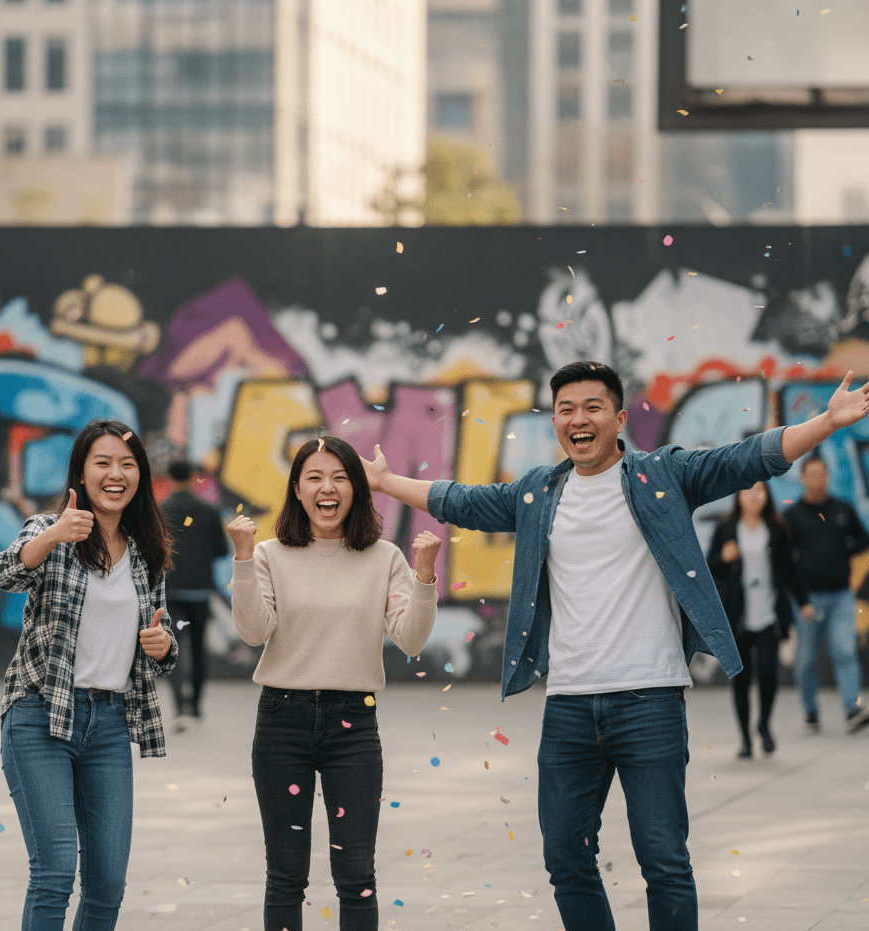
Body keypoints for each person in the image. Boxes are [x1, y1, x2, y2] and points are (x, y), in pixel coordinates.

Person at [361, 360, 869, 931]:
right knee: (566, 859)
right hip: (570, 705)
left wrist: (826, 422)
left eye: (592, 407)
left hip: (649, 702)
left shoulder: (663, 475)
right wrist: (382, 483)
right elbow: (461, 500)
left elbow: (747, 458)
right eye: (566, 410)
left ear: (620, 418)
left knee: (664, 862)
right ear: (555, 420)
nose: (578, 420)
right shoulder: (539, 494)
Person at [227, 435, 441, 931]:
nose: (328, 488)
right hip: (282, 721)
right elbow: (253, 631)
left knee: (356, 873)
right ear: (297, 490)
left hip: (354, 725)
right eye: (315, 478)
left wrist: (425, 578)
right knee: (285, 875)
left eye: (341, 477)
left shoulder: (384, 557)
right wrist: (241, 559)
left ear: (358, 490)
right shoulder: (268, 554)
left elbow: (410, 639)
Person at [0, 420, 178, 931]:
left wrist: (163, 647)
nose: (116, 474)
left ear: (140, 475)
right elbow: (6, 572)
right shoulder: (48, 528)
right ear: (81, 472)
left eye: (127, 463)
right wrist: (53, 536)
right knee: (54, 873)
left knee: (108, 884)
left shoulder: (145, 553)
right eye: (103, 462)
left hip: (110, 725)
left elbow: (162, 643)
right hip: (40, 717)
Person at [707, 482, 812, 758]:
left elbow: (789, 570)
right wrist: (724, 557)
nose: (754, 497)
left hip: (768, 614)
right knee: (740, 680)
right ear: (738, 497)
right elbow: (710, 567)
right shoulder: (727, 528)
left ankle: (763, 724)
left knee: (768, 674)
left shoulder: (776, 530)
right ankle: (744, 739)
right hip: (738, 615)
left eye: (760, 492)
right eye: (748, 492)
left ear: (767, 497)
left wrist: (803, 603)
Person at [784, 455, 869, 733]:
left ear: (827, 477)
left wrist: (845, 548)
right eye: (811, 474)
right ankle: (810, 711)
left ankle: (853, 708)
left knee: (845, 651)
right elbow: (785, 563)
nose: (816, 479)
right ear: (804, 478)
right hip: (808, 600)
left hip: (841, 596)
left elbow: (862, 540)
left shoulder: (843, 509)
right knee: (806, 659)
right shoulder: (792, 516)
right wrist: (800, 599)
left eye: (821, 474)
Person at [161, 459, 229, 727]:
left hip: (170, 591)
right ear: (192, 476)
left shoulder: (159, 511)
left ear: (168, 477)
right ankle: (197, 706)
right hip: (200, 592)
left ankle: (179, 705)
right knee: (199, 648)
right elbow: (221, 551)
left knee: (173, 647)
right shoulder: (210, 511)